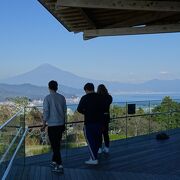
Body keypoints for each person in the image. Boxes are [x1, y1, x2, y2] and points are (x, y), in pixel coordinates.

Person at [42, 80, 67, 173]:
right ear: (57, 87)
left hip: (52, 125)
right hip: (61, 124)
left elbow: (46, 112)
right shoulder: (62, 97)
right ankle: (53, 161)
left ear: (49, 87)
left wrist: (44, 124)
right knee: (57, 144)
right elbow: (64, 111)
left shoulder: (47, 98)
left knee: (54, 146)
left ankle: (59, 165)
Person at [77, 83, 103, 165]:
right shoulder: (99, 97)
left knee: (90, 141)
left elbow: (79, 109)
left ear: (86, 90)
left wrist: (86, 112)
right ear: (93, 88)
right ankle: (94, 156)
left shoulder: (85, 98)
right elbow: (103, 108)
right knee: (97, 140)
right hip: (99, 122)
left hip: (89, 122)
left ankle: (94, 159)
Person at [97, 84, 112, 154]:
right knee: (106, 133)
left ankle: (99, 148)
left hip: (99, 117)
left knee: (99, 134)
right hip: (106, 117)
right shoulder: (109, 97)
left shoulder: (97, 97)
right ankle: (107, 148)